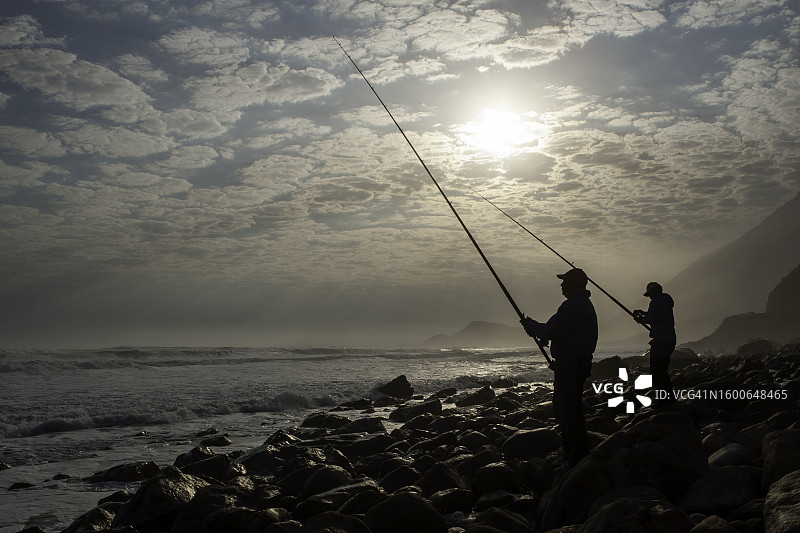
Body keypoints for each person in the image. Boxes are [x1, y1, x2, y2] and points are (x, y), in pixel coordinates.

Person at [521, 267, 598, 466]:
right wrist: (539, 329)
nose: (562, 285)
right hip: (573, 363)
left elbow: (552, 329)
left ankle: (575, 456)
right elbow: (559, 331)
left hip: (572, 365)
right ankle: (575, 454)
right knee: (569, 409)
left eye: (565, 281)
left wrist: (532, 327)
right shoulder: (580, 304)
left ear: (575, 284)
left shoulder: (573, 305)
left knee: (567, 411)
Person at [633, 282, 676, 406]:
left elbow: (651, 319)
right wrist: (644, 313)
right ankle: (669, 397)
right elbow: (658, 315)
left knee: (657, 371)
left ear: (654, 291)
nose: (649, 297)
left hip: (661, 341)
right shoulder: (666, 301)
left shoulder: (656, 302)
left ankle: (663, 400)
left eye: (650, 294)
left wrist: (640, 319)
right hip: (669, 340)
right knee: (662, 370)